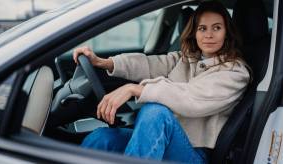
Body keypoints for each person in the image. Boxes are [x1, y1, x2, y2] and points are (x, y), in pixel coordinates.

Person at [73, 1, 250, 163]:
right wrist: (103, 62)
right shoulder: (188, 59)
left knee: (156, 113)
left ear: (226, 33)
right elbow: (150, 64)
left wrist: (134, 89)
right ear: (194, 33)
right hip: (166, 140)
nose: (209, 35)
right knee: (102, 138)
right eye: (202, 28)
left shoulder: (235, 72)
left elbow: (191, 97)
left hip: (196, 155)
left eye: (216, 28)